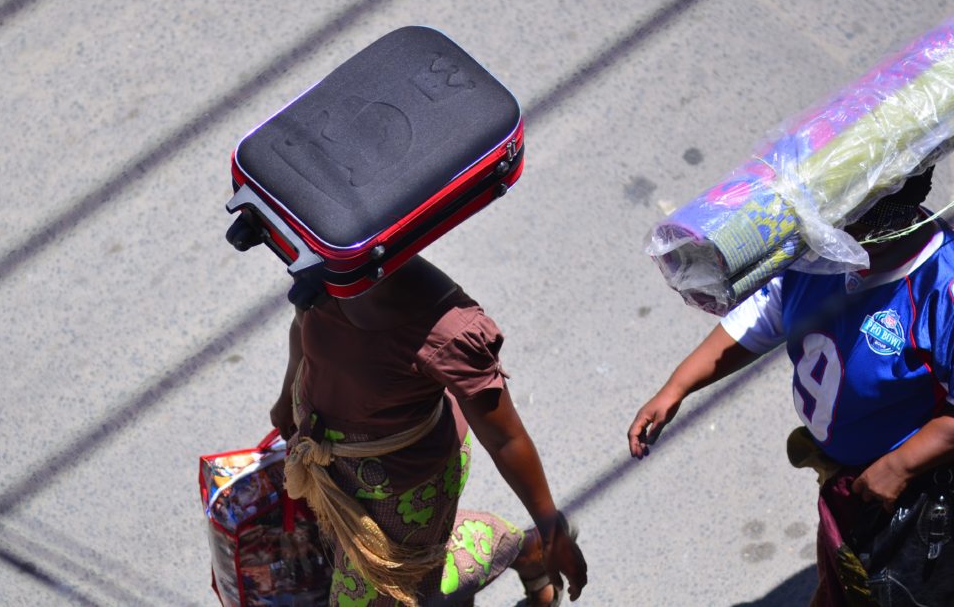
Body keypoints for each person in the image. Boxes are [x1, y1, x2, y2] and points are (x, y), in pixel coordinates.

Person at [627, 163, 954, 605]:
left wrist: (901, 466)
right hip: (849, 483)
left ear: (883, 215)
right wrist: (675, 389)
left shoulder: (941, 285)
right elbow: (767, 312)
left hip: (904, 495)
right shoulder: (822, 251)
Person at [271, 254, 588, 606]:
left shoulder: (449, 328)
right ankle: (519, 552)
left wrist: (551, 530)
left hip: (404, 488)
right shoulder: (334, 254)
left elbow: (505, 438)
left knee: (396, 586)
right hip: (332, 461)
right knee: (408, 572)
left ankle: (523, 550)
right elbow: (302, 324)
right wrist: (287, 395)